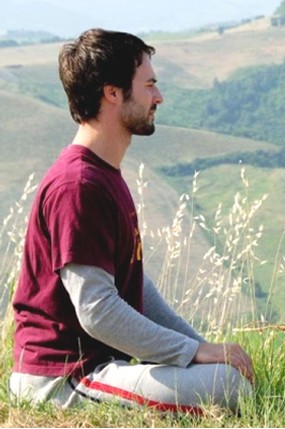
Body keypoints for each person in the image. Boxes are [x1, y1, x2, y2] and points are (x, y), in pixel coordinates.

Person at [10, 28, 254, 414]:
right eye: (149, 85)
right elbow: (98, 310)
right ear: (113, 93)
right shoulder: (78, 185)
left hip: (97, 366)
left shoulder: (103, 174)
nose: (158, 97)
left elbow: (135, 290)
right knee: (225, 386)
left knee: (223, 373)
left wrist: (202, 349)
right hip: (62, 379)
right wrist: (194, 353)